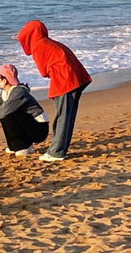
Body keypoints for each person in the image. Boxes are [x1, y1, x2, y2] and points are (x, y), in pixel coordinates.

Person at [17, 19, 92, 162]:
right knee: (67, 117)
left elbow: (43, 72)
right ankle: (60, 149)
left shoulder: (39, 46)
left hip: (65, 80)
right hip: (76, 78)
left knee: (62, 118)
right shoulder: (48, 42)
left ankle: (56, 152)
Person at [0, 64, 49, 156]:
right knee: (8, 112)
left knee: (8, 114)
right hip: (30, 126)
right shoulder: (5, 93)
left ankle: (21, 146)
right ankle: (23, 145)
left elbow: (2, 112)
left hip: (39, 129)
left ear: (5, 80)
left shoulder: (18, 91)